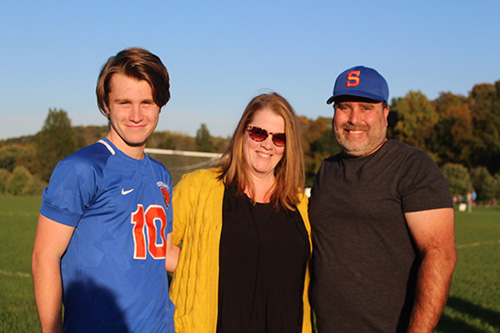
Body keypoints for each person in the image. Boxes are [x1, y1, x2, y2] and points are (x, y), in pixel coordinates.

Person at [31, 47, 177, 332]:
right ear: (106, 105)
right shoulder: (82, 168)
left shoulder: (161, 174)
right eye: (124, 102)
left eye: (146, 102)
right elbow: (44, 256)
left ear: (160, 104)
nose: (137, 114)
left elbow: (165, 254)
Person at [309, 65, 457, 332]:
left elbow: (440, 256)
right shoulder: (326, 170)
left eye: (367, 108)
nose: (354, 118)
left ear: (385, 113)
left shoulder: (413, 167)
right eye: (344, 107)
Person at [169, 92, 312, 332]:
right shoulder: (198, 187)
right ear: (242, 133)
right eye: (258, 133)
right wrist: (203, 265)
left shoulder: (300, 204)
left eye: (279, 138)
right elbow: (157, 248)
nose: (267, 144)